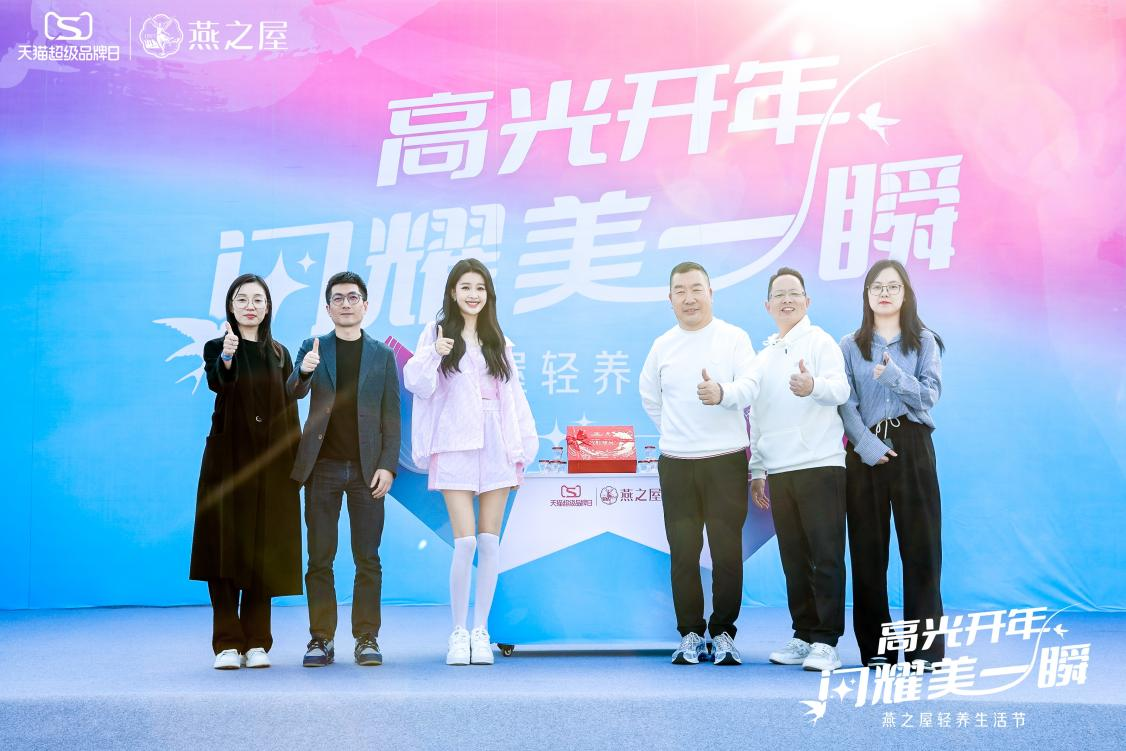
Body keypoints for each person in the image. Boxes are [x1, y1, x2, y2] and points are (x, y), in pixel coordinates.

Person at [404, 258, 538, 666]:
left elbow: (514, 397)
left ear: (488, 294)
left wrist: (521, 448)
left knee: (489, 541)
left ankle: (481, 631)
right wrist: (434, 353)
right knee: (464, 542)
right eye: (465, 287)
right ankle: (458, 631)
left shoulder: (498, 339)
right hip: (455, 443)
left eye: (480, 288)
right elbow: (417, 383)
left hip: (497, 442)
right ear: (452, 292)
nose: (473, 294)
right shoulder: (436, 334)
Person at [639, 262, 758, 665]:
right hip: (677, 462)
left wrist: (722, 393)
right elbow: (650, 397)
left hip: (725, 460)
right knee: (683, 554)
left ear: (711, 293)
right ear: (670, 298)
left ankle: (723, 634)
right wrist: (677, 430)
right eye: (680, 291)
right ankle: (690, 634)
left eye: (696, 289)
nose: (689, 298)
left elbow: (751, 386)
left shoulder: (733, 338)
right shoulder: (662, 345)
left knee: (726, 553)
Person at [287, 271, 401, 668]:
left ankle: (367, 637)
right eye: (338, 298)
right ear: (328, 307)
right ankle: (321, 639)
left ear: (365, 305)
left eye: (353, 297)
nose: (346, 304)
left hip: (368, 473)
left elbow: (392, 416)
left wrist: (388, 466)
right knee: (320, 558)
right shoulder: (313, 347)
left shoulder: (382, 355)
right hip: (322, 469)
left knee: (367, 558)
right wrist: (305, 370)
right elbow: (293, 391)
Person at [189, 274, 302, 670]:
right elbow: (218, 382)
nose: (250, 306)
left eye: (257, 299)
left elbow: (290, 406)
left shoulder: (280, 353)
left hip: (269, 466)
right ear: (231, 306)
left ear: (268, 307)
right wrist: (227, 355)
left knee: (261, 550)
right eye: (242, 299)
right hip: (227, 463)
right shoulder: (218, 346)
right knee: (223, 549)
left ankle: (257, 641)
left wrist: (295, 463)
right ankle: (226, 643)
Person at [838, 260, 946, 670]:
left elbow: (929, 396)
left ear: (905, 293)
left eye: (893, 286)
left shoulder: (924, 341)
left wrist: (895, 376)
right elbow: (845, 404)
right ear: (866, 295)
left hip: (912, 445)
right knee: (867, 553)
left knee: (922, 550)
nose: (884, 293)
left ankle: (924, 651)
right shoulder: (850, 345)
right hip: (865, 451)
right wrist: (865, 445)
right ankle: (878, 649)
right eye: (876, 287)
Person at [746, 268, 850, 672]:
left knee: (826, 556)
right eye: (779, 295)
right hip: (780, 469)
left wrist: (813, 387)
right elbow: (758, 416)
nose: (786, 300)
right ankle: (804, 635)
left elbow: (840, 390)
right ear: (767, 306)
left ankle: (827, 642)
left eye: (794, 293)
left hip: (820, 464)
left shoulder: (821, 341)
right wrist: (758, 469)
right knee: (794, 558)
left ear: (807, 301)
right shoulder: (763, 358)